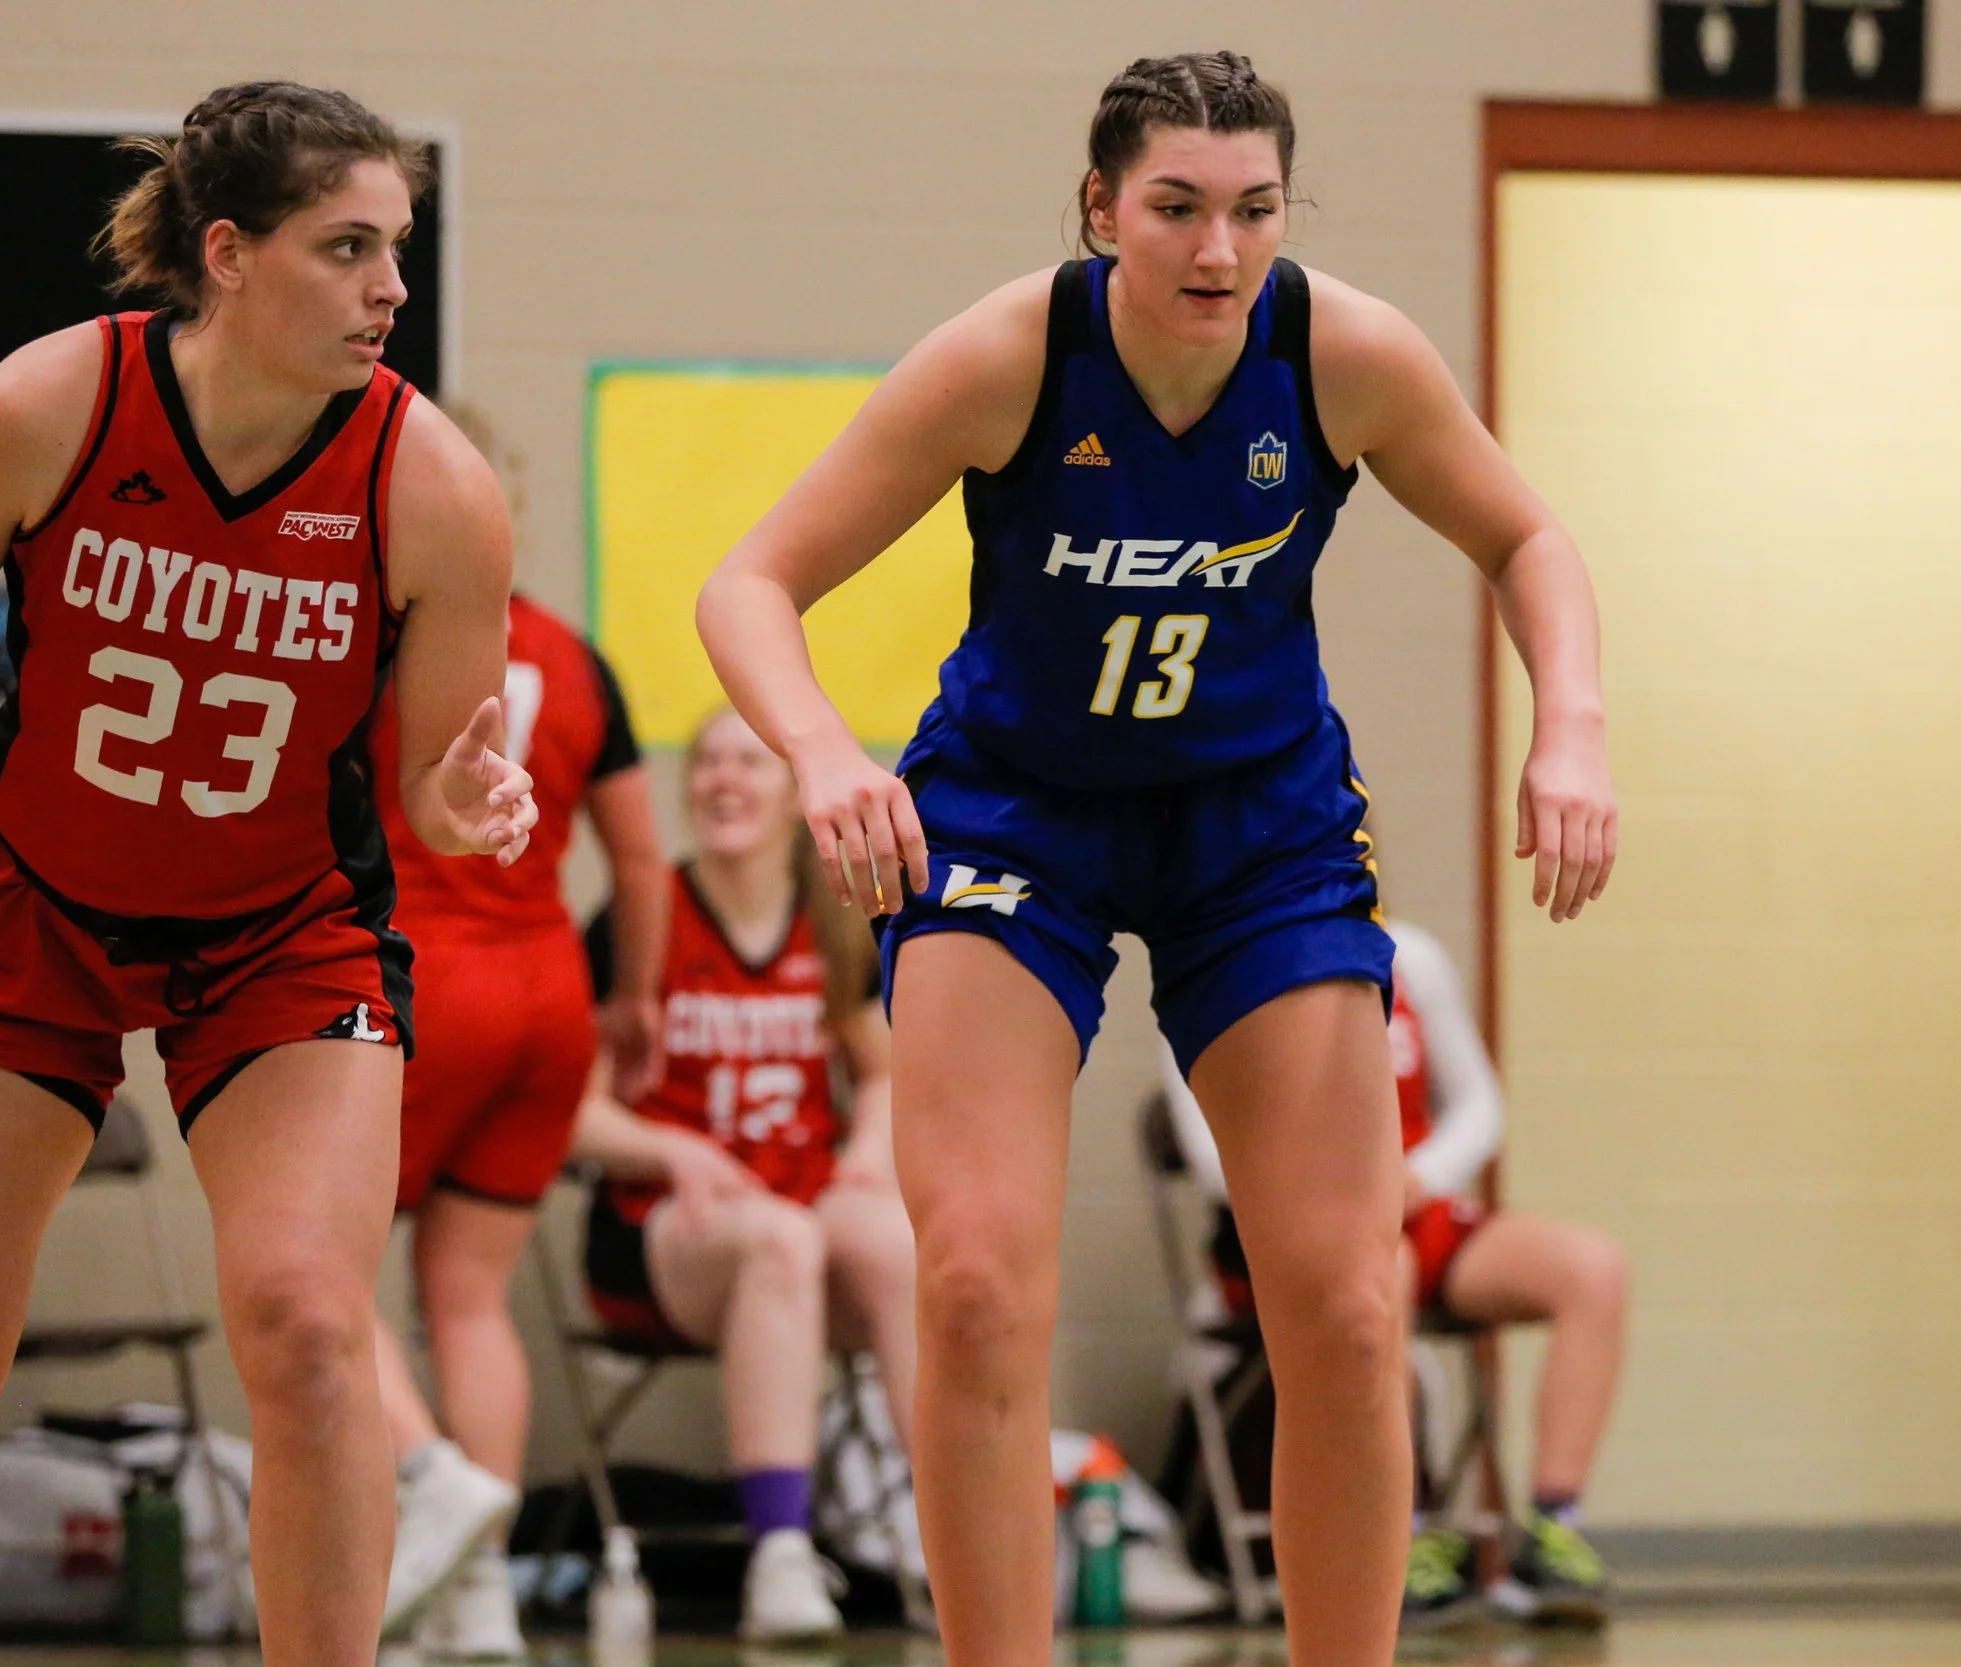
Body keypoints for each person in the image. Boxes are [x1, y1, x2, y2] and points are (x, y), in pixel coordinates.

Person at [696, 51, 1615, 1667]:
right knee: (975, 1286)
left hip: (1255, 825)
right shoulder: (1010, 356)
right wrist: (823, 751)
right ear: (1101, 208)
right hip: (1016, 817)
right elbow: (750, 580)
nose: (1217, 249)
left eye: (1254, 209)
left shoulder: (1343, 353)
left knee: (1347, 1306)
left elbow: (1524, 533)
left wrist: (1573, 726)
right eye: (1178, 207)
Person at [0, 82, 536, 1666]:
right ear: (229, 253)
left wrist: (468, 801)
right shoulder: (53, 402)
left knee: (312, 1334)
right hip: (38, 897)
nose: (390, 287)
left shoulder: (430, 486)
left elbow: (430, 781)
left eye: (398, 248)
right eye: (347, 247)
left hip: (283, 932)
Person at [1159, 920, 1630, 1626]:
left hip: (1413, 1198)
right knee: (1385, 1271)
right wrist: (1350, 1194)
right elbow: (1207, 1152)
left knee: (1594, 1269)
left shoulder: (1412, 957)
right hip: (1300, 1218)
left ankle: (1552, 1528)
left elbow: (1479, 1104)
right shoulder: (1211, 950)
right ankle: (1397, 1538)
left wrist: (1424, 1175)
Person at [572, 708, 916, 1642]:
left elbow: (885, 1073)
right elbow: (571, 1111)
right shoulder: (639, 920)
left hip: (799, 1198)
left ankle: (948, 1517)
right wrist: (672, 1151)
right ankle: (780, 1553)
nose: (724, 780)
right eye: (708, 763)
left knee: (893, 1240)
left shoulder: (836, 917)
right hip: (665, 1222)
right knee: (781, 1241)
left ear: (793, 793)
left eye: (748, 764)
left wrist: (865, 1157)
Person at [370, 587, 668, 1657]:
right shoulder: (579, 657)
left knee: (309, 1267)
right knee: (469, 1295)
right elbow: (640, 858)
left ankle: (429, 1476)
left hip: (422, 973)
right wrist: (633, 999)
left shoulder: (386, 625)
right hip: (547, 989)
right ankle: (482, 1592)